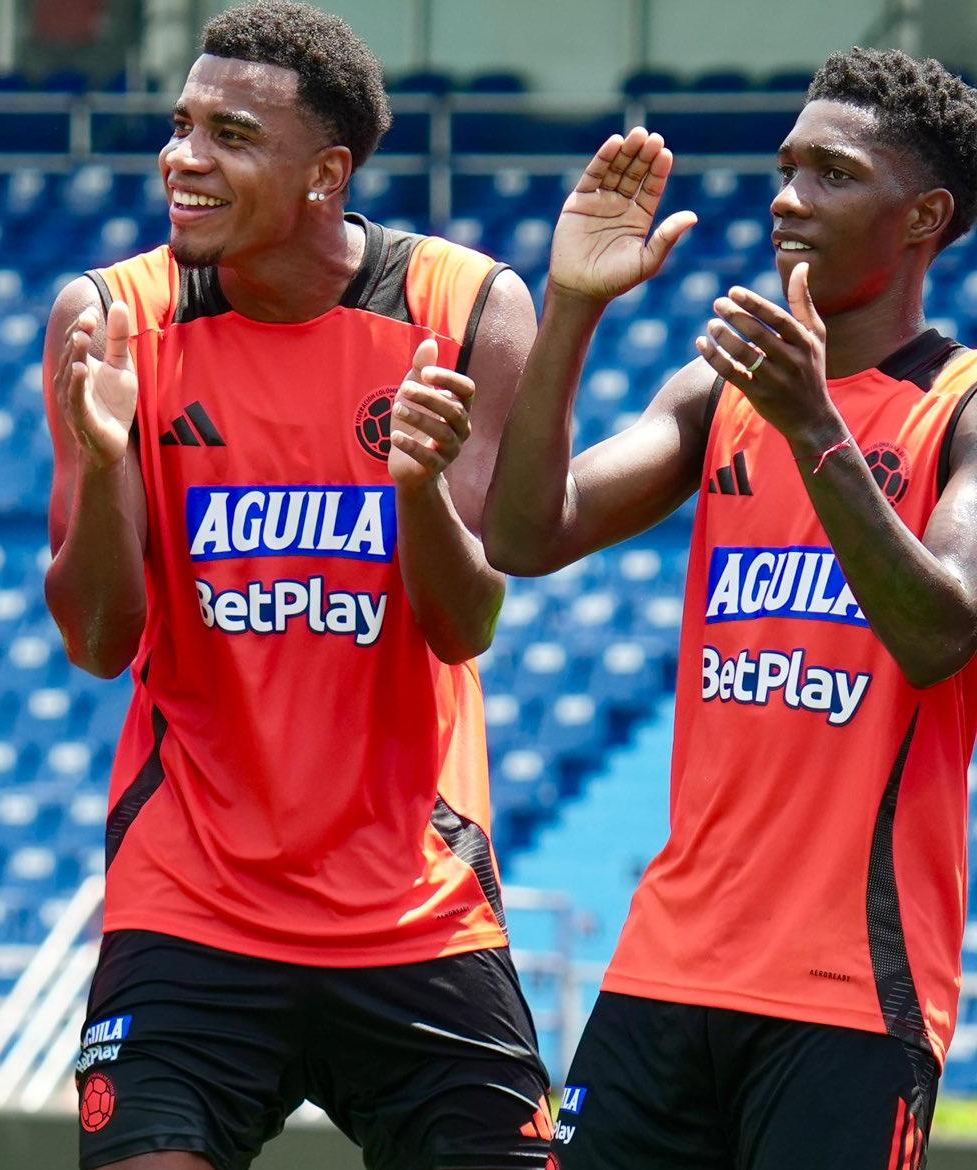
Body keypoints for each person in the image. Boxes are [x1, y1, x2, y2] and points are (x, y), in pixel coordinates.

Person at [42, 4, 554, 1169]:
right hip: (191, 898)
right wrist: (110, 458)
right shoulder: (111, 316)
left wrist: (414, 487)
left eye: (228, 133)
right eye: (179, 126)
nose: (182, 158)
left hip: (411, 902)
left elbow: (462, 618)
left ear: (327, 173)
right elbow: (94, 637)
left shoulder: (461, 309)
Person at [483, 48, 977, 1170]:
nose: (787, 197)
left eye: (832, 173)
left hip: (849, 993)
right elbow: (525, 532)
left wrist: (815, 427)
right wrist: (568, 310)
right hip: (666, 966)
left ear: (923, 216)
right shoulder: (718, 395)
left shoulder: (957, 411)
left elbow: (938, 630)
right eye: (785, 166)